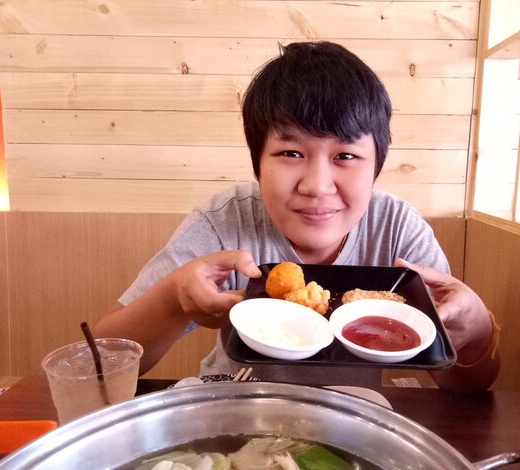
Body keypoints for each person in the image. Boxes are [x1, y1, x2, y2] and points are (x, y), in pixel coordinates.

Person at [94, 41, 499, 391]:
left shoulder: (396, 229)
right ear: (257, 166)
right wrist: (174, 299)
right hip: (236, 412)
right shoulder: (224, 222)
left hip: (353, 422)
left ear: (375, 168)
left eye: (345, 156)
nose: (318, 185)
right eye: (291, 153)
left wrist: (476, 330)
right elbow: (100, 363)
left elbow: (468, 385)